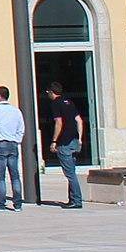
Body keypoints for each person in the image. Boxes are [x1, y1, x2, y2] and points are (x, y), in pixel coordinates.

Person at [44, 81, 85, 210]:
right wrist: (80, 138)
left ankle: (77, 200)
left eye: (48, 92)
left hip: (64, 142)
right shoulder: (69, 102)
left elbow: (59, 123)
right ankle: (72, 199)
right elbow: (79, 120)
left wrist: (54, 141)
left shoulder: (55, 104)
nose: (47, 94)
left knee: (70, 174)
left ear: (51, 92)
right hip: (73, 140)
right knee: (71, 171)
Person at [0, 85, 26, 211]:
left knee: (0, 177)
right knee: (15, 176)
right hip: (13, 144)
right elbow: (21, 128)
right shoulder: (16, 111)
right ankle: (18, 204)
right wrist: (17, 141)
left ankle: (1, 204)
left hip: (0, 144)